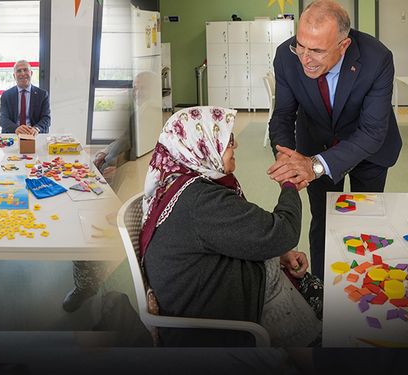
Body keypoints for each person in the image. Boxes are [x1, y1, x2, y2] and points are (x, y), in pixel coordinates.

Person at [140, 106, 321, 347]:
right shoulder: (201, 201)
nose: (235, 146)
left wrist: (278, 256)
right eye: (227, 140)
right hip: (224, 317)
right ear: (201, 144)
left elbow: (234, 236)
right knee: (336, 325)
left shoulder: (182, 183)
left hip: (224, 284)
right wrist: (289, 184)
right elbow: (281, 232)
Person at [266, 0, 402, 280]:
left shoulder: (377, 58)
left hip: (368, 149)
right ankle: (322, 290)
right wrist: (286, 157)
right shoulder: (285, 56)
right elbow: (282, 115)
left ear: (343, 46)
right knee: (324, 222)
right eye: (300, 45)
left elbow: (373, 131)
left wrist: (315, 166)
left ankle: (364, 284)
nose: (305, 58)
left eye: (316, 50)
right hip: (315, 143)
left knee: (366, 219)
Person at [0, 60, 51, 135]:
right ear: (14, 76)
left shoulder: (42, 95)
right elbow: (3, 119)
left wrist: (36, 128)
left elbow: (46, 118)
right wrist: (15, 128)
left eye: (25, 70)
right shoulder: (6, 95)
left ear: (31, 73)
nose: (23, 73)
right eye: (19, 71)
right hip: (13, 134)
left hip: (34, 134)